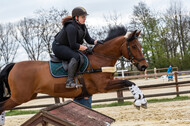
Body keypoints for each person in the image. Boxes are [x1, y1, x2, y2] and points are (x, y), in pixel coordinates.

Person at [52, 7, 103, 88]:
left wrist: (97, 42)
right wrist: (86, 48)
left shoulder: (83, 26)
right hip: (59, 47)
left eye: (85, 17)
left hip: (68, 46)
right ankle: (69, 82)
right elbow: (73, 45)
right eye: (83, 17)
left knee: (82, 55)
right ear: (76, 18)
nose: (85, 19)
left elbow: (89, 40)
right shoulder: (70, 27)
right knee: (75, 57)